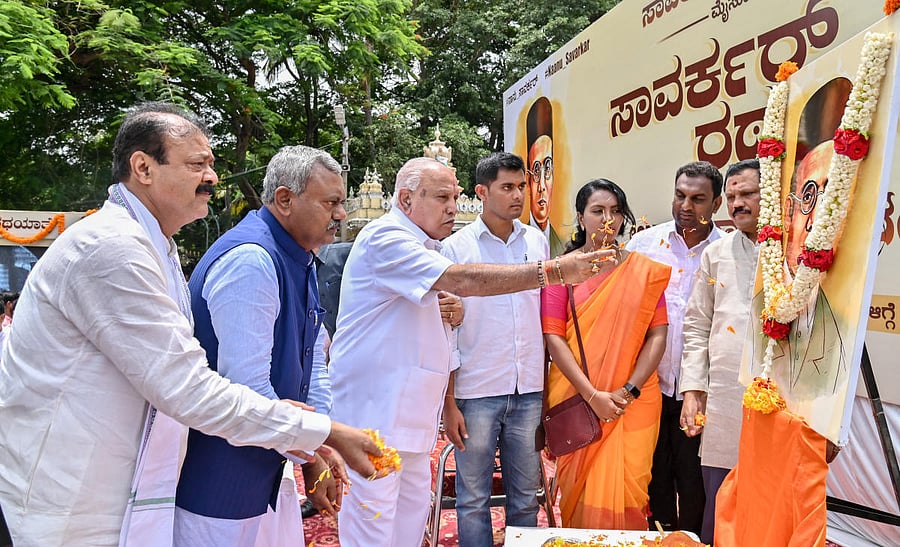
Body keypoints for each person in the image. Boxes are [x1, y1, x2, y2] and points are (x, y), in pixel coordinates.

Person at [0, 102, 380, 547]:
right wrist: (324, 434)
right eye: (197, 164)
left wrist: (309, 439)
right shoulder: (110, 247)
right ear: (143, 167)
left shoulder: (154, 245)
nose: (213, 177)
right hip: (72, 500)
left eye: (212, 164)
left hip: (131, 486)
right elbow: (187, 387)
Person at [329, 157, 609, 546]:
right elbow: (462, 279)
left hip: (412, 417)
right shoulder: (385, 237)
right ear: (406, 199)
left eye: (453, 197)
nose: (451, 207)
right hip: (377, 417)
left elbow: (439, 310)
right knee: (376, 525)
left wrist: (452, 312)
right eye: (442, 197)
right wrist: (554, 271)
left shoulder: (430, 245)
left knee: (408, 522)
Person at [173, 145, 350, 545]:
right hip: (219, 481)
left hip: (269, 464)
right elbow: (247, 387)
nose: (340, 214)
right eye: (331, 202)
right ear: (285, 200)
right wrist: (322, 440)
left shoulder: (299, 256)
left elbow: (313, 365)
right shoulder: (252, 260)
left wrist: (315, 446)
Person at [542, 178, 670, 528]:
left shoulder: (643, 271)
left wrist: (628, 390)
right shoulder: (560, 271)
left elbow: (658, 335)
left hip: (636, 399)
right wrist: (594, 395)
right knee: (581, 491)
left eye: (615, 211)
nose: (607, 219)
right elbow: (554, 339)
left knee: (632, 488)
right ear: (581, 218)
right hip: (579, 398)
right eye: (598, 211)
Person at [440, 152, 550, 546]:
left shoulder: (536, 241)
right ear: (482, 192)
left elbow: (545, 317)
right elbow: (445, 332)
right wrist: (449, 400)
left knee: (525, 498)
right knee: (472, 499)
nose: (518, 195)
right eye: (507, 187)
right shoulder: (455, 250)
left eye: (522, 186)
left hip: (528, 390)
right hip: (475, 391)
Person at [626, 160, 723, 533]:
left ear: (716, 205)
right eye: (680, 196)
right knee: (654, 474)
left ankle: (694, 539)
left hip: (699, 392)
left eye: (698, 199)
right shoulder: (644, 245)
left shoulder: (726, 252)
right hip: (649, 388)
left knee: (695, 477)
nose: (686, 206)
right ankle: (661, 535)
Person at [678, 159, 761, 544]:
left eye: (747, 194)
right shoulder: (717, 253)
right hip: (725, 401)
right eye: (731, 197)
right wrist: (693, 389)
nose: (737, 204)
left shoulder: (800, 255)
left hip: (784, 404)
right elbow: (696, 326)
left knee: (772, 507)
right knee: (722, 506)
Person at [527, 97, 565, 256]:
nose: (542, 185)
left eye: (547, 168)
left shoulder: (565, 245)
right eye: (536, 171)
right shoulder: (521, 239)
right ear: (527, 182)